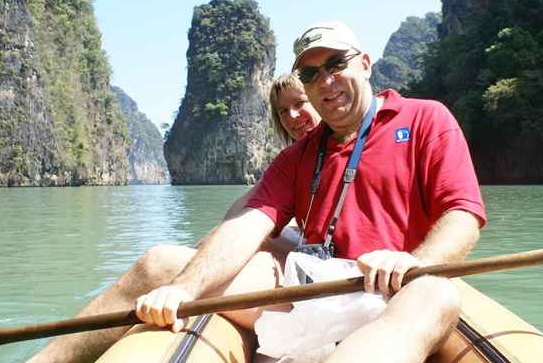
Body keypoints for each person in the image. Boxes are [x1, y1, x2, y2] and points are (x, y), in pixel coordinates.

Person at [133, 21, 486, 362]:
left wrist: (417, 262)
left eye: (336, 63)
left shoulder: (425, 118)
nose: (326, 80)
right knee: (159, 263)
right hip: (313, 290)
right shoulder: (298, 156)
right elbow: (247, 222)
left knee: (435, 292)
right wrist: (184, 289)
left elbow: (463, 213)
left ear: (364, 64)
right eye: (310, 74)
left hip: (396, 290)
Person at [27, 73, 321, 363]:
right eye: (283, 111)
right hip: (305, 279)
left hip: (326, 291)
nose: (292, 117)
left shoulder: (343, 152)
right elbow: (235, 221)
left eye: (300, 103)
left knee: (155, 265)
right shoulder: (296, 161)